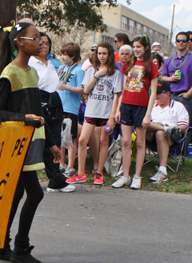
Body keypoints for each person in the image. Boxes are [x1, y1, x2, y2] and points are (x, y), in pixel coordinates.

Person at [0, 22, 63, 263]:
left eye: (41, 38)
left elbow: (36, 113)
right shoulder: (9, 73)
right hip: (16, 145)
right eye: (35, 38)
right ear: (20, 42)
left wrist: (52, 144)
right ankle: (20, 250)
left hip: (32, 143)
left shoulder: (31, 73)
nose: (40, 42)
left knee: (17, 193)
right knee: (35, 193)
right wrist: (24, 118)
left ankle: (0, 245)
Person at [65, 42, 123, 186]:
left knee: (103, 141)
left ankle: (99, 172)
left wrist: (112, 116)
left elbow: (116, 95)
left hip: (106, 112)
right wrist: (96, 76)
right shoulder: (91, 70)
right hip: (91, 111)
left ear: (109, 55)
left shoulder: (115, 73)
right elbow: (85, 90)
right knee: (82, 140)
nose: (102, 56)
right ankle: (80, 173)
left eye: (104, 53)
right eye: (99, 53)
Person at [112, 35, 159, 189]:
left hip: (141, 107)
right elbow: (124, 88)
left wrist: (148, 114)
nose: (136, 49)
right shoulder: (129, 64)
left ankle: (137, 176)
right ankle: (125, 176)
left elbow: (153, 92)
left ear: (146, 48)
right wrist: (118, 109)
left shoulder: (151, 66)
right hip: (126, 105)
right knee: (126, 141)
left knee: (140, 142)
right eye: (134, 46)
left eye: (139, 46)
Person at [31, 31, 73, 193]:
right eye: (40, 43)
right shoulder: (31, 62)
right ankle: (55, 179)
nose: (44, 46)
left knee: (55, 141)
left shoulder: (50, 63)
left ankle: (55, 179)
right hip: (39, 104)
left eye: (47, 43)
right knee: (46, 143)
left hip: (54, 104)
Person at [144, 81, 189, 183]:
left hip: (169, 137)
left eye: (159, 92)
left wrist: (170, 128)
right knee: (144, 124)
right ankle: (163, 128)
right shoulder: (151, 105)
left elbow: (184, 126)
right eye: (154, 92)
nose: (156, 95)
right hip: (150, 134)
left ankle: (162, 170)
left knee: (160, 133)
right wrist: (159, 126)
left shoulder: (178, 106)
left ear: (168, 94)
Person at [160, 31, 192, 126]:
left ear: (188, 43)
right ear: (175, 42)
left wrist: (189, 93)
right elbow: (162, 77)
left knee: (184, 125)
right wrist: (170, 78)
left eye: (184, 41)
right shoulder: (169, 60)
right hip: (170, 95)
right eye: (178, 40)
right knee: (168, 123)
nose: (181, 42)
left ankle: (186, 137)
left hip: (184, 96)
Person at [57, 42, 85, 178]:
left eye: (65, 55)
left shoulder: (79, 71)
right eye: (61, 54)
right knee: (60, 136)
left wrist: (67, 87)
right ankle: (61, 164)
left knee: (72, 137)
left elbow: (82, 89)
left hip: (71, 108)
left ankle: (71, 166)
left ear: (73, 56)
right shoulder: (60, 68)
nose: (62, 57)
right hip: (59, 106)